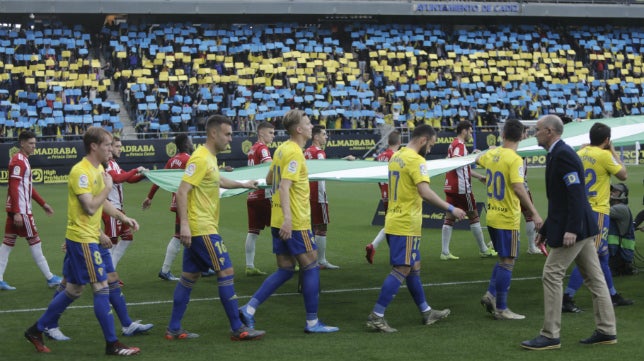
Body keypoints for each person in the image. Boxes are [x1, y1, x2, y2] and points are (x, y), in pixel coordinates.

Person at [24, 126, 141, 356]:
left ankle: (36, 330)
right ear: (94, 146)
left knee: (75, 289)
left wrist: (122, 217)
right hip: (85, 240)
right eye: (107, 144)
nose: (112, 149)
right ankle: (112, 343)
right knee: (100, 286)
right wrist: (107, 187)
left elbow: (102, 202)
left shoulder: (98, 170)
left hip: (90, 238)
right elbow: (89, 206)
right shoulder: (82, 172)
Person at [239, 109, 339, 334]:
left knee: (285, 269)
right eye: (308, 122)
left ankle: (249, 309)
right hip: (294, 221)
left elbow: (269, 179)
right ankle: (312, 322)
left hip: (278, 219)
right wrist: (288, 219)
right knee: (311, 265)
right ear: (299, 129)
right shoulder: (294, 152)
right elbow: (283, 186)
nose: (312, 125)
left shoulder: (281, 149)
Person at [521, 115, 616, 351]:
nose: (535, 133)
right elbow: (559, 201)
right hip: (579, 225)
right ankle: (606, 330)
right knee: (595, 279)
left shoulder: (563, 154)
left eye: (538, 129)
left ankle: (550, 334)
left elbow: (575, 195)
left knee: (551, 274)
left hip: (577, 227)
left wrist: (572, 228)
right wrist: (546, 230)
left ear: (550, 131)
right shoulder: (557, 153)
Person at [165, 114, 265, 341]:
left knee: (189, 277)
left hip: (202, 227)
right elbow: (182, 191)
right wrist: (185, 226)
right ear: (214, 133)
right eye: (228, 134)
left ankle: (173, 329)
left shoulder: (208, 158)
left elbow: (218, 180)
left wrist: (243, 184)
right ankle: (238, 328)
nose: (231, 139)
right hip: (202, 228)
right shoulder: (200, 158)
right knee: (226, 271)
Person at [366, 124, 466, 333]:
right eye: (431, 144)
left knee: (414, 266)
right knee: (402, 268)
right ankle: (377, 315)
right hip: (406, 223)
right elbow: (425, 192)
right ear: (423, 140)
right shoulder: (416, 160)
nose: (430, 148)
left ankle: (426, 311)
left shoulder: (397, 155)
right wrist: (451, 208)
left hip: (394, 220)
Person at [476, 120, 543, 320]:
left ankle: (490, 294)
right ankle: (502, 308)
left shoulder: (492, 154)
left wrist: (490, 151)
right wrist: (534, 212)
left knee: (503, 258)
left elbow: (478, 157)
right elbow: (518, 187)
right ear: (522, 136)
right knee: (508, 261)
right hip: (507, 216)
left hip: (492, 215)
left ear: (503, 133)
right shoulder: (515, 159)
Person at [562, 122, 632, 312]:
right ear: (607, 140)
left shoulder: (580, 153)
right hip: (598, 211)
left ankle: (612, 294)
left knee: (602, 255)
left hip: (581, 208)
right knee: (590, 256)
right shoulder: (605, 155)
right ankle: (566, 297)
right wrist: (614, 151)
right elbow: (623, 175)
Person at [42, 230, 153, 341]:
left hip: (96, 239)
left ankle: (127, 325)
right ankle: (50, 325)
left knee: (112, 277)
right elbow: (82, 215)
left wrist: (121, 219)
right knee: (71, 283)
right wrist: (99, 234)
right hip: (83, 239)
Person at [0, 130, 61, 291]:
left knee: (7, 244)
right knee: (35, 242)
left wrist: (43, 204)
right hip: (22, 211)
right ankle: (50, 278)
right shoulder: (18, 161)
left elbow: (27, 188)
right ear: (22, 143)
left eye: (35, 143)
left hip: (17, 209)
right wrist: (17, 212)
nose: (34, 146)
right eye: (31, 143)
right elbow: (13, 187)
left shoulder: (22, 160)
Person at [440, 120, 496, 260]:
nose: (471, 134)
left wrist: (478, 177)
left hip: (450, 186)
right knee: (474, 216)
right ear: (464, 131)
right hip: (461, 187)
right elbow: (457, 162)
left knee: (449, 218)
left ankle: (445, 252)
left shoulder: (453, 144)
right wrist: (475, 157)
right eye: (470, 131)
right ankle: (483, 249)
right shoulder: (459, 145)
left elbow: (462, 166)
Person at [142, 134, 194, 281]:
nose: (192, 143)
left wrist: (149, 197)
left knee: (191, 234)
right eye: (190, 141)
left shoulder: (172, 160)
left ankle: (201, 266)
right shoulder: (189, 160)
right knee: (180, 235)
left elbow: (160, 179)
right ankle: (165, 270)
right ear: (185, 143)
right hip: (186, 202)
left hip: (176, 201)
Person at [102, 136, 147, 268]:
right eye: (117, 146)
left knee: (127, 238)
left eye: (120, 146)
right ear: (110, 147)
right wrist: (136, 170)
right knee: (111, 242)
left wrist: (143, 175)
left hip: (118, 209)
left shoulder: (114, 163)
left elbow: (129, 178)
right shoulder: (107, 164)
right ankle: (108, 274)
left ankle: (110, 270)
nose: (120, 149)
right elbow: (117, 178)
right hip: (111, 208)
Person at [304, 125, 338, 269]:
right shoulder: (319, 153)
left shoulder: (306, 152)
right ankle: (320, 260)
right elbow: (325, 170)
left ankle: (310, 259)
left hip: (306, 193)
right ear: (316, 137)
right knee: (321, 227)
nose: (326, 137)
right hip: (318, 192)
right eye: (324, 134)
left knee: (310, 227)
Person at [365, 130, 401, 264]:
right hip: (395, 195)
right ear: (399, 142)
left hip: (384, 194)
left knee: (390, 224)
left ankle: (376, 247)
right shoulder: (397, 156)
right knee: (395, 225)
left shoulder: (380, 156)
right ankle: (375, 246)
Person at [244, 121, 275, 276]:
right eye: (270, 133)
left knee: (253, 231)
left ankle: (249, 266)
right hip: (264, 195)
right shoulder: (262, 149)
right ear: (261, 133)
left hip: (251, 195)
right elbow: (271, 165)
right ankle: (289, 261)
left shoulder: (252, 149)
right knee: (281, 226)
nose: (273, 136)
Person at [607, 183, 636, 276]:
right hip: (618, 252)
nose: (611, 193)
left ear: (622, 195)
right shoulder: (619, 207)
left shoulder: (620, 208)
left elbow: (601, 211)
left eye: (615, 191)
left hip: (619, 253)